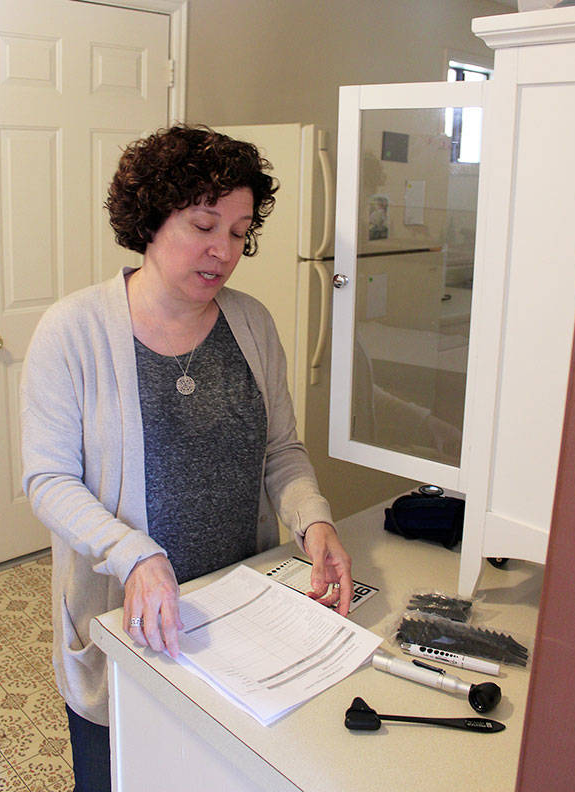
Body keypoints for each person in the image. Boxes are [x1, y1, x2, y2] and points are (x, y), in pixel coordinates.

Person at [20, 125, 352, 792]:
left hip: (236, 620)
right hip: (133, 618)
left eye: (238, 231)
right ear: (150, 219)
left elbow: (280, 450)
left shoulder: (252, 322)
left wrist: (314, 522)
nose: (223, 250)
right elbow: (48, 480)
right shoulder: (73, 330)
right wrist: (134, 553)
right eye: (204, 224)